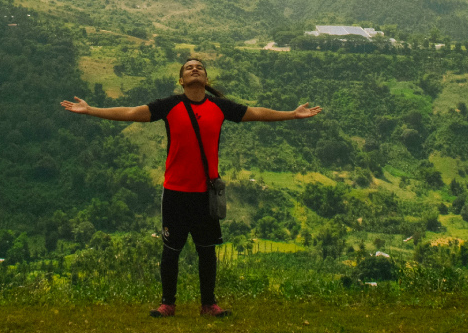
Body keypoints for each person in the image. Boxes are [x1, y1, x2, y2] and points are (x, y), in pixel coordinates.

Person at [61, 57, 323, 318]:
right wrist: (91, 109)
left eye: (199, 67)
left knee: (206, 251)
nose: (194, 69)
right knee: (171, 251)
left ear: (206, 79)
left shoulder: (220, 107)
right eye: (189, 68)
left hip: (205, 194)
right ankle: (167, 304)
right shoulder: (169, 106)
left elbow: (256, 113)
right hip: (175, 191)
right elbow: (131, 112)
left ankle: (209, 305)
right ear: (181, 80)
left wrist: (292, 114)